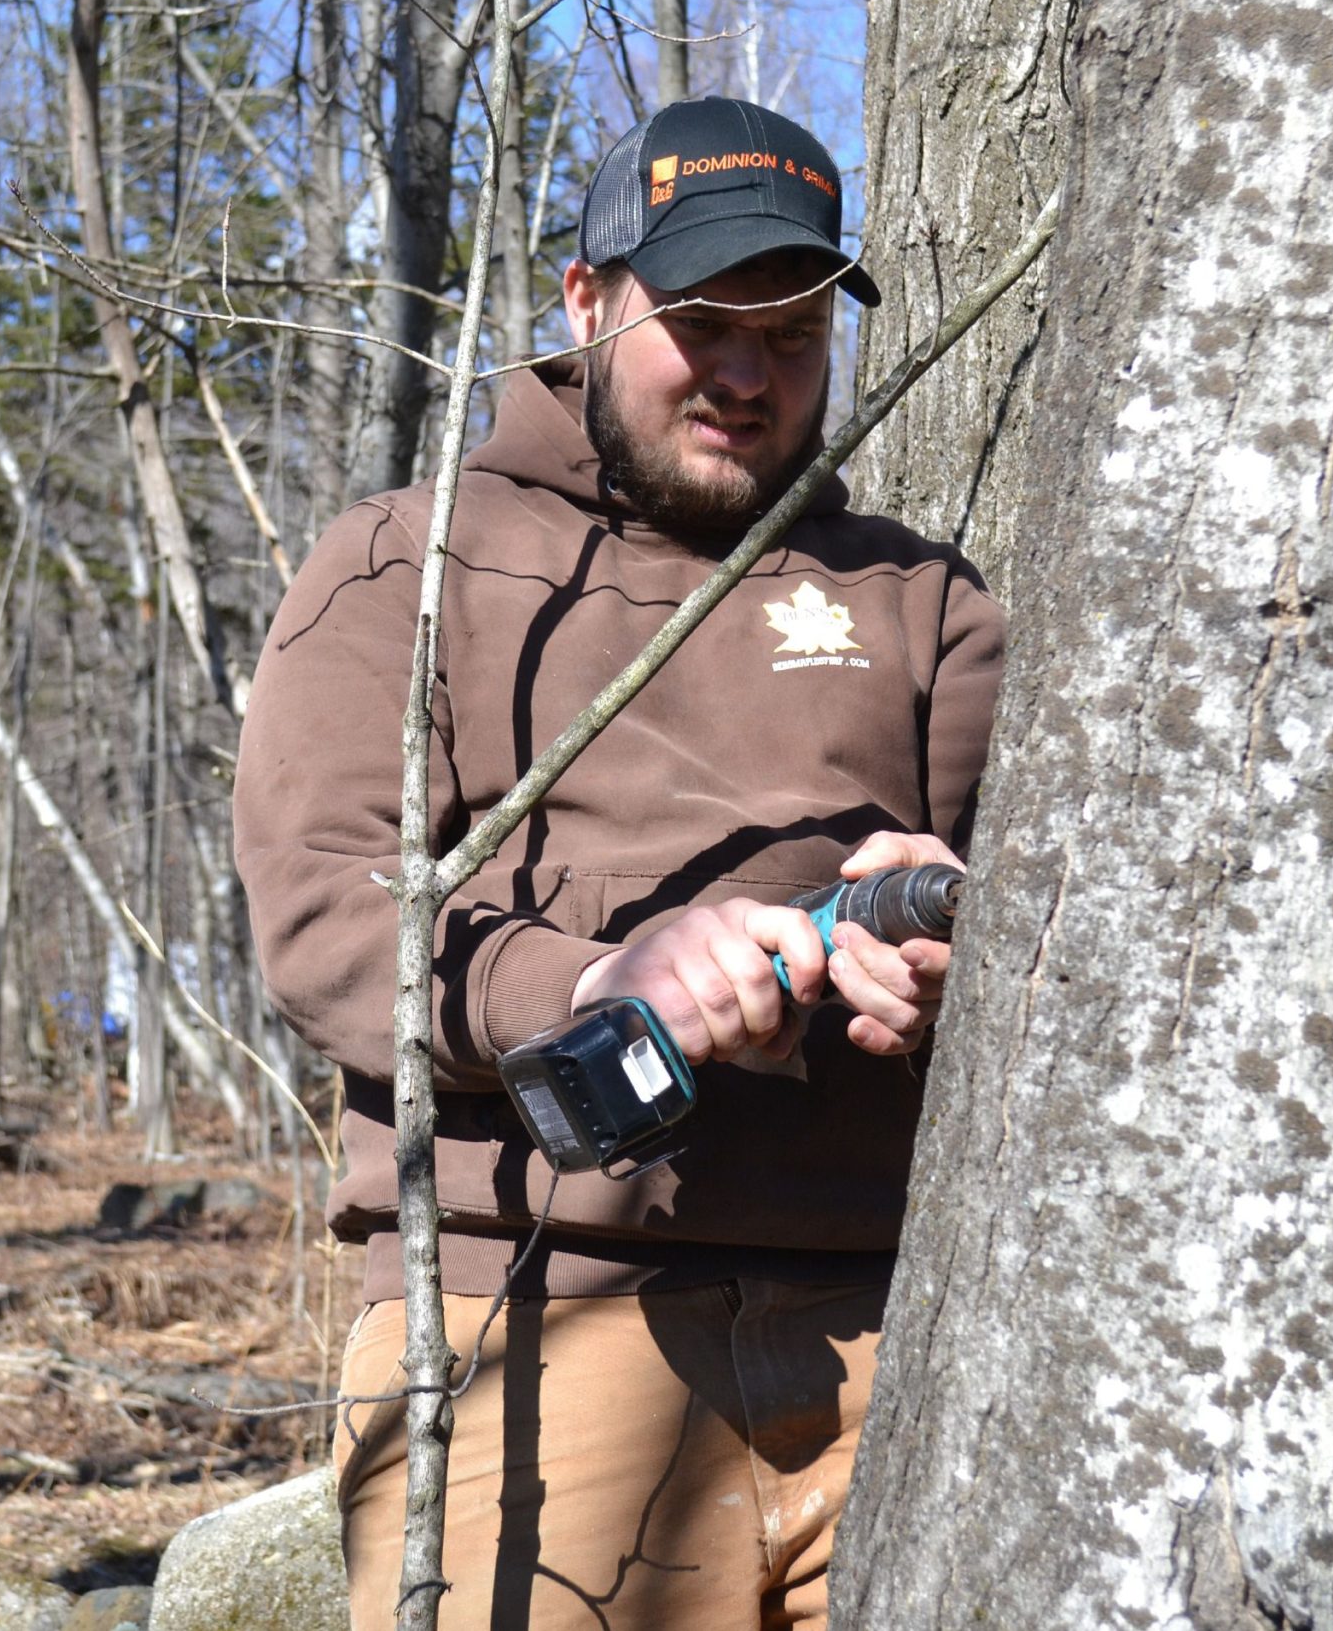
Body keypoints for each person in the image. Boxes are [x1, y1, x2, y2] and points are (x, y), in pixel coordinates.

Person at [233, 94, 1005, 1629]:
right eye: (704, 320)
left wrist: (945, 966)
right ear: (587, 304)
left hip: (897, 1333)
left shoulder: (921, 599)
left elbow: (1048, 949)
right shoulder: (410, 557)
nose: (745, 372)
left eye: (790, 337)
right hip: (532, 1315)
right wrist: (600, 978)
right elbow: (326, 913)